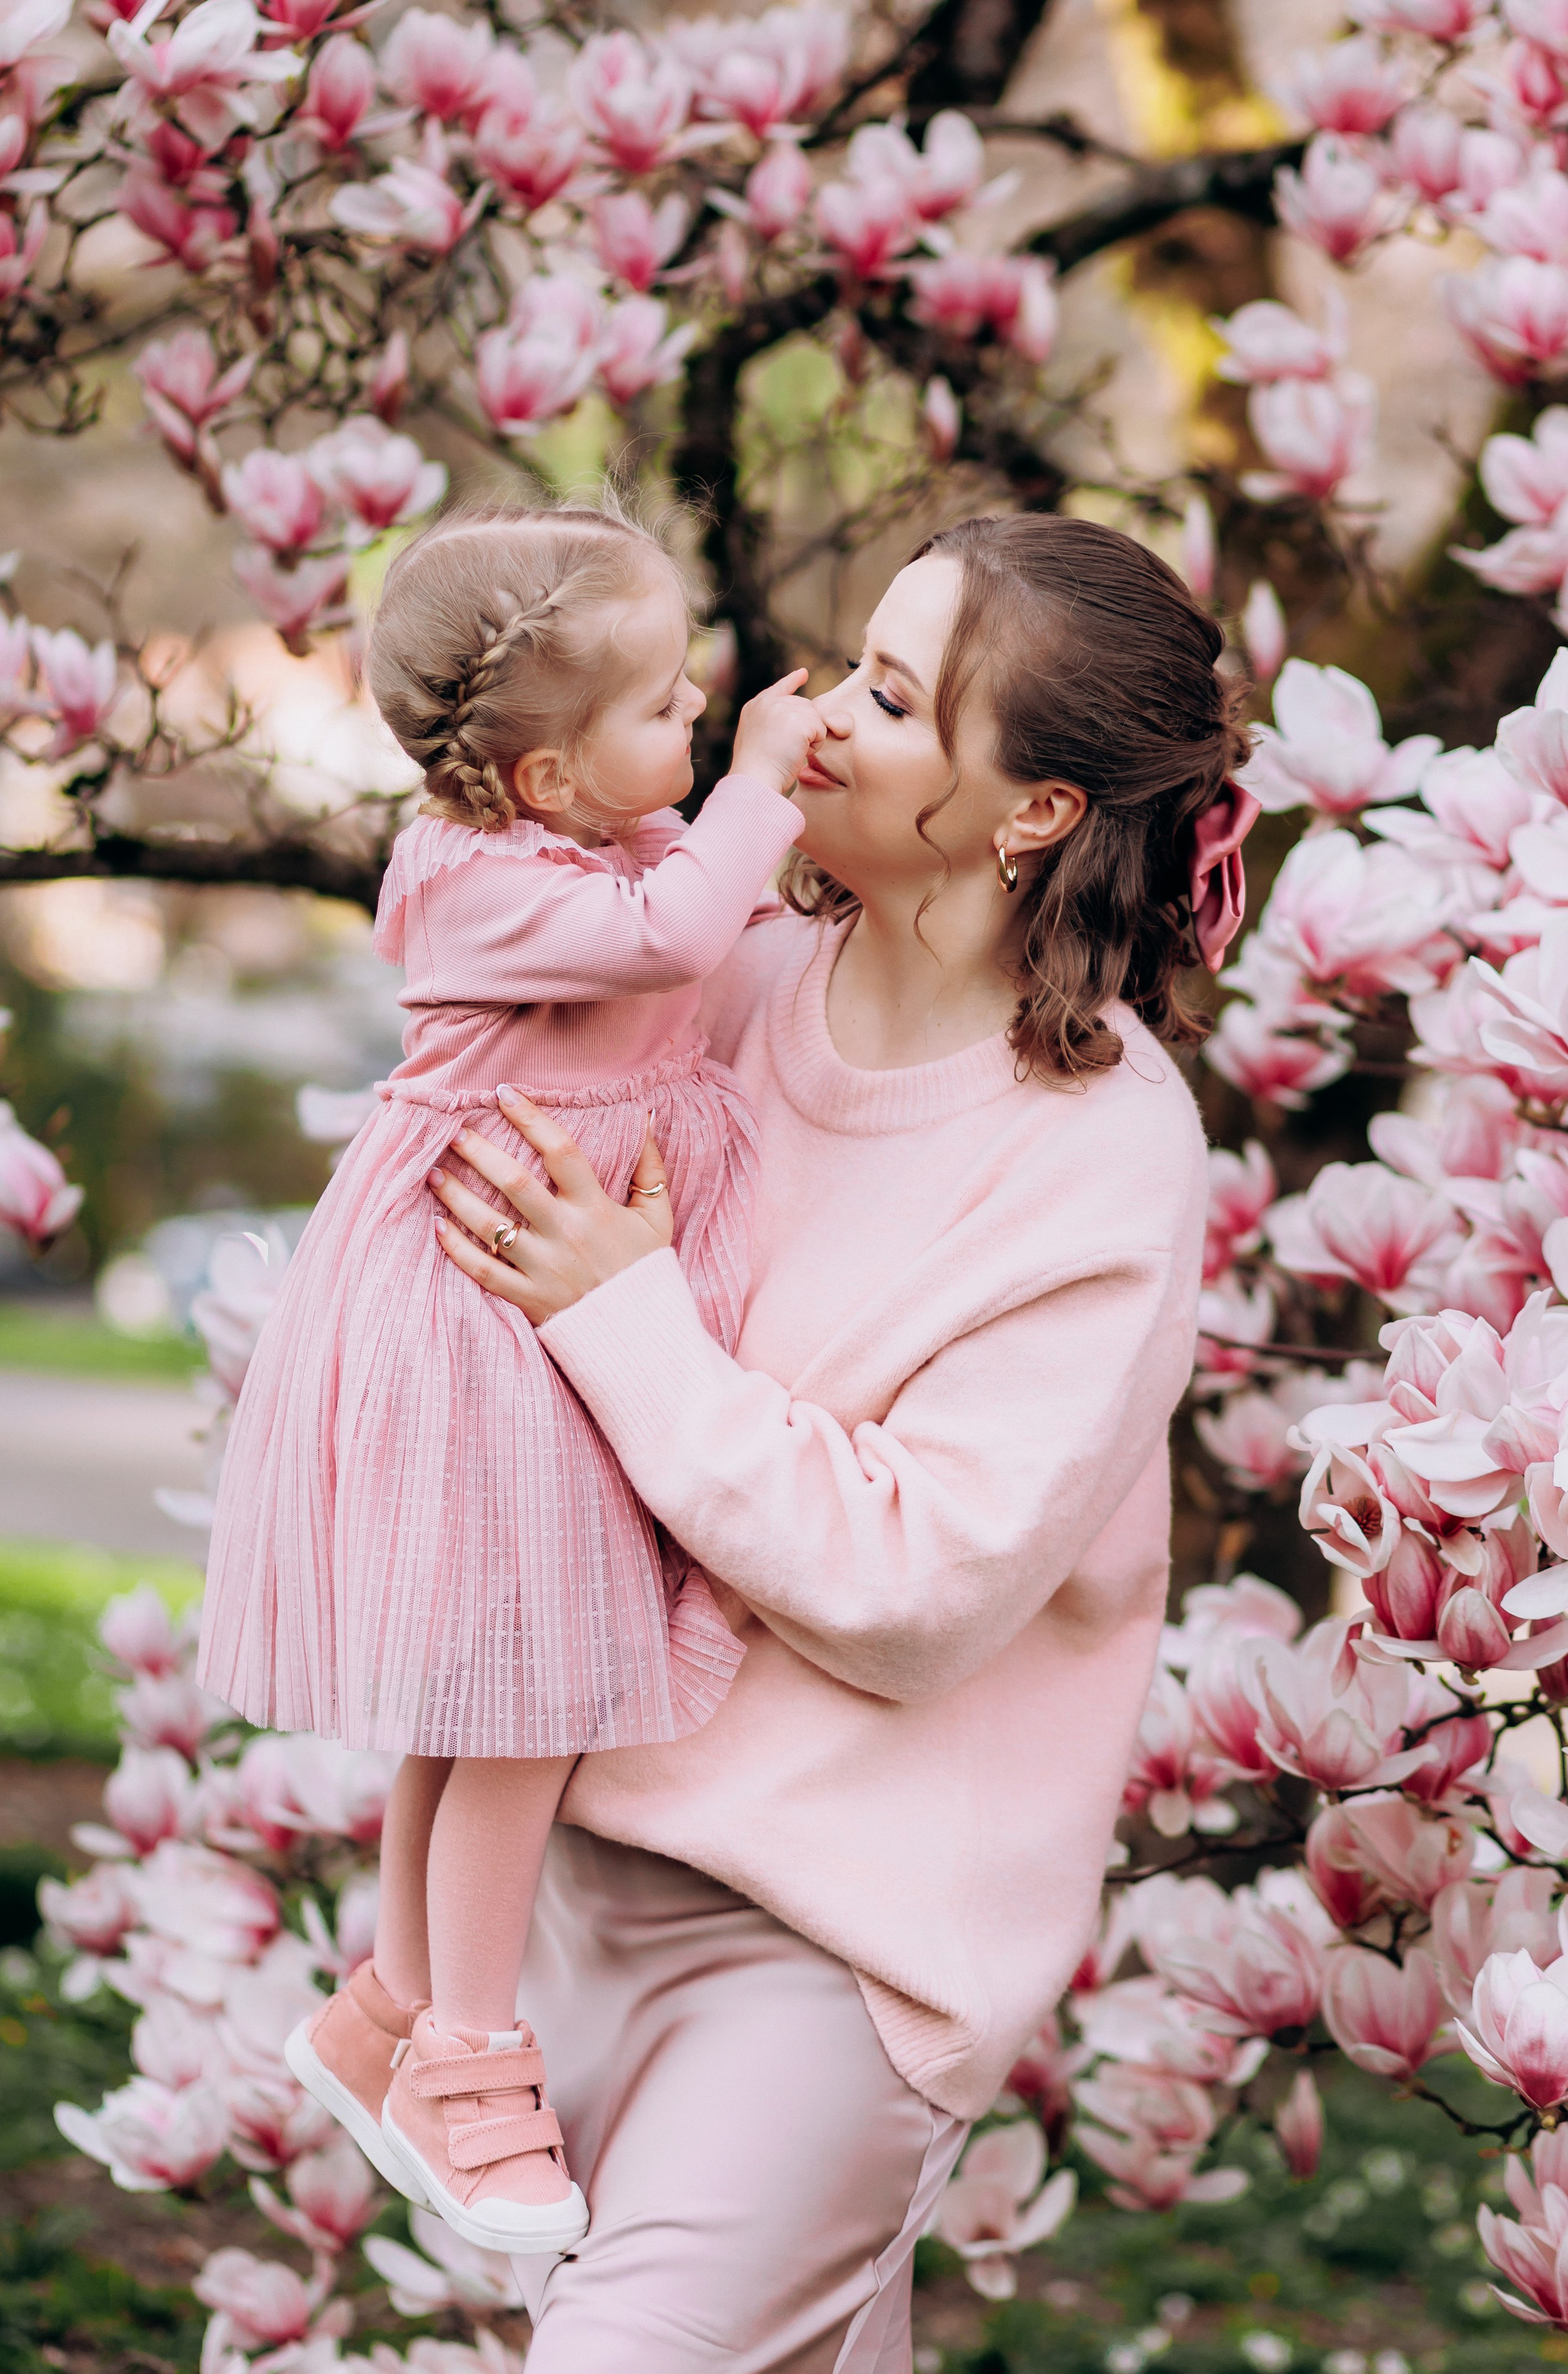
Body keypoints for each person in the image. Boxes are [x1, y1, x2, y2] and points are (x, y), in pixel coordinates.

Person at [425, 512, 1260, 2368]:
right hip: (573, 1879)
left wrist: (612, 1310)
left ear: (1031, 810)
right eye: (848, 661)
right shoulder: (726, 979)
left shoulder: (1102, 1157)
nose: (809, 716)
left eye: (889, 697)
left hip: (830, 1960)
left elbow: (910, 1585)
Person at [193, 503, 824, 2254]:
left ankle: (389, 2010)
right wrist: (769, 772)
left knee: (479, 1696)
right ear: (545, 781)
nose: (700, 714)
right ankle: (471, 2051)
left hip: (543, 1288)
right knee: (524, 1707)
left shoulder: (573, 845)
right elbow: (691, 932)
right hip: (480, 1310)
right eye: (665, 706)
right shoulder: (488, 883)